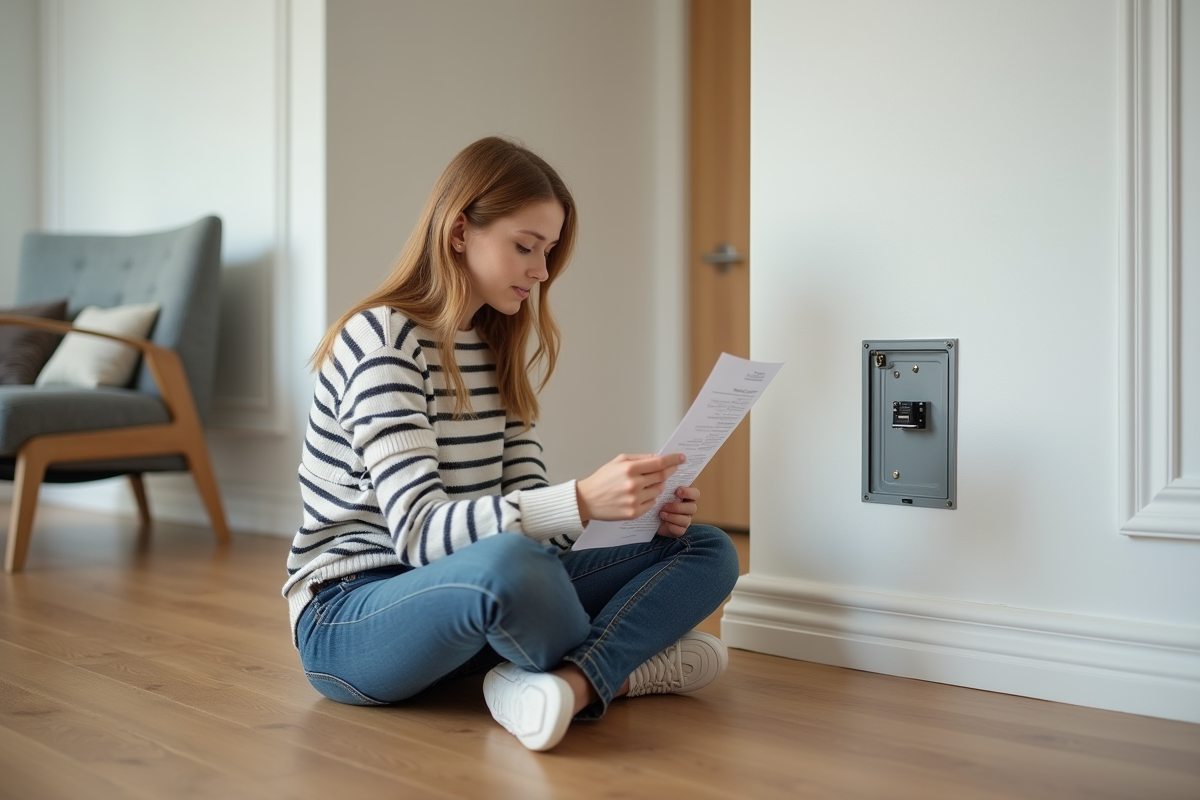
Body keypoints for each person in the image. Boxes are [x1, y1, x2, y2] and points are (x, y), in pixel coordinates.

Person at [283, 136, 740, 752]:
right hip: (353, 616)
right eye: (525, 247)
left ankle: (571, 683)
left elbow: (531, 514)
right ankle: (619, 669)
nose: (542, 271)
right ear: (458, 232)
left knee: (706, 548)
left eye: (548, 252)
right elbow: (420, 534)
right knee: (510, 566)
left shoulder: (496, 346)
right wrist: (580, 499)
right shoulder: (383, 338)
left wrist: (636, 520)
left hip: (475, 599)